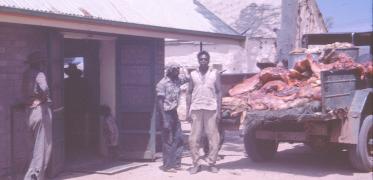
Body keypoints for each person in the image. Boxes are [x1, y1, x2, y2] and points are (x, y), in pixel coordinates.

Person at [186, 50, 222, 174]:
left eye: (205, 59)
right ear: (198, 60)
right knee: (194, 138)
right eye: (201, 59)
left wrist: (220, 110)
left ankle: (212, 162)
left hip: (211, 108)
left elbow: (218, 92)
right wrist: (187, 110)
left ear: (208, 60)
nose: (203, 61)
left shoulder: (214, 73)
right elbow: (189, 92)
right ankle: (196, 163)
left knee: (213, 138)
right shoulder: (193, 74)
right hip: (196, 108)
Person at [21, 51, 52, 180]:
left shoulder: (26, 74)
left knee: (32, 146)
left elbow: (23, 92)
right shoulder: (39, 74)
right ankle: (35, 176)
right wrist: (42, 99)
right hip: (39, 110)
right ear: (39, 63)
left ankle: (31, 174)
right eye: (42, 62)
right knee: (42, 146)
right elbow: (44, 88)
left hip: (29, 111)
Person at [156, 63, 188, 172]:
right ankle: (168, 166)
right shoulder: (162, 83)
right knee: (167, 141)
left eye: (178, 69)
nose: (177, 71)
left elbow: (188, 78)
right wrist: (164, 119)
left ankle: (177, 164)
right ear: (169, 70)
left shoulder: (177, 81)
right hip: (165, 113)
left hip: (174, 113)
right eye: (175, 69)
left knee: (179, 138)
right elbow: (160, 102)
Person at [64, 63, 90, 157]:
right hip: (80, 107)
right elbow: (87, 95)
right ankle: (81, 145)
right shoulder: (84, 81)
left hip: (70, 107)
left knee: (70, 127)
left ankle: (72, 145)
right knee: (80, 126)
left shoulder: (65, 82)